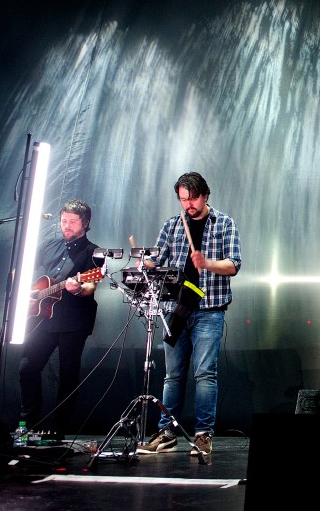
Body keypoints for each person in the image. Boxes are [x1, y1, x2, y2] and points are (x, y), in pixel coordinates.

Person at [137, 172, 241, 456]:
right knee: (173, 376)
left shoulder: (224, 223)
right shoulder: (172, 225)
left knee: (205, 373)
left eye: (193, 199)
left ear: (205, 195)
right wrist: (145, 262)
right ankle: (166, 433)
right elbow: (157, 260)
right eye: (183, 199)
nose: (188, 205)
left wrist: (206, 263)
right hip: (176, 309)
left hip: (209, 308)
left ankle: (203, 434)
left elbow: (233, 264)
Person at [19, 199, 104, 438]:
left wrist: (77, 288)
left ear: (85, 223)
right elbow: (22, 270)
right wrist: (27, 292)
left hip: (74, 321)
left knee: (68, 374)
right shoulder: (48, 245)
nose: (66, 225)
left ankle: (58, 428)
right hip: (43, 318)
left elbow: (91, 285)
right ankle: (26, 425)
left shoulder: (94, 252)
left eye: (72, 221)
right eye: (63, 220)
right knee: (27, 366)